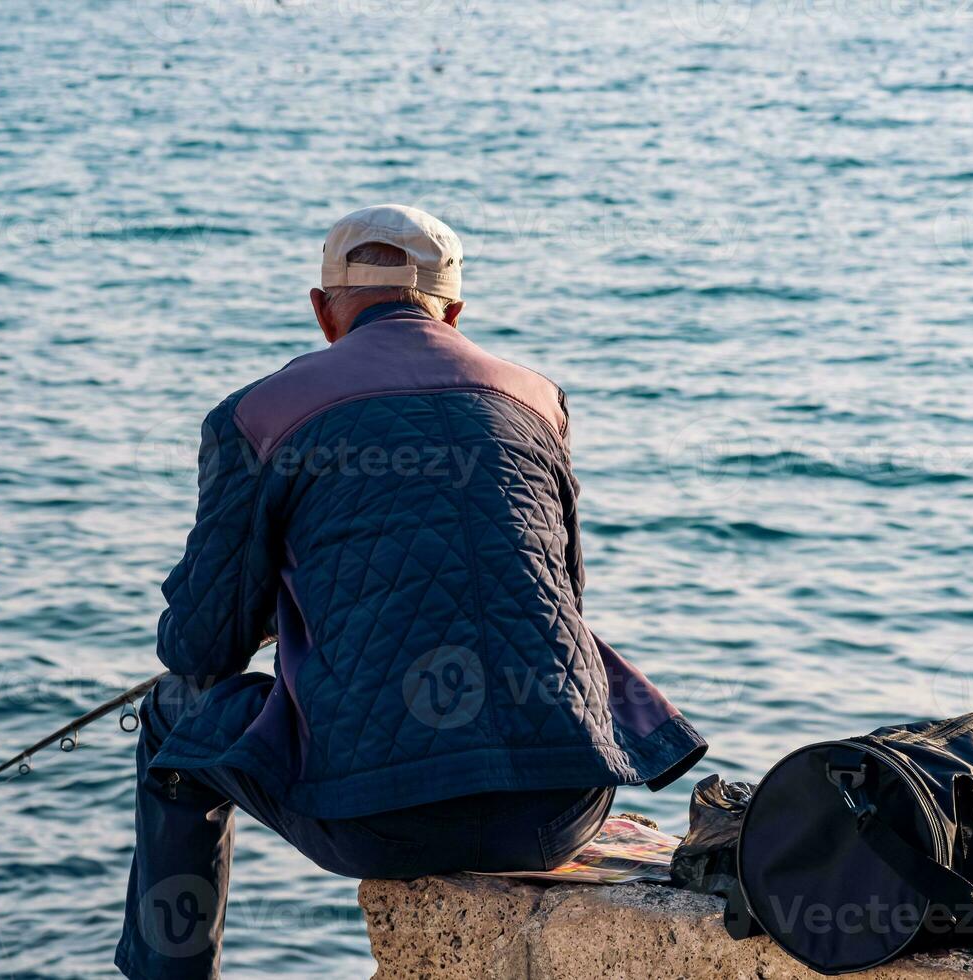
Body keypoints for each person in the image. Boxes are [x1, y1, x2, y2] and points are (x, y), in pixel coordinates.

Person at [115, 204, 707, 979]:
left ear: (324, 312)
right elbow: (562, 596)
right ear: (454, 312)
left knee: (171, 716)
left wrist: (275, 601)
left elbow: (200, 647)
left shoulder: (255, 416)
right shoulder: (537, 401)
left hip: (381, 823)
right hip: (561, 809)